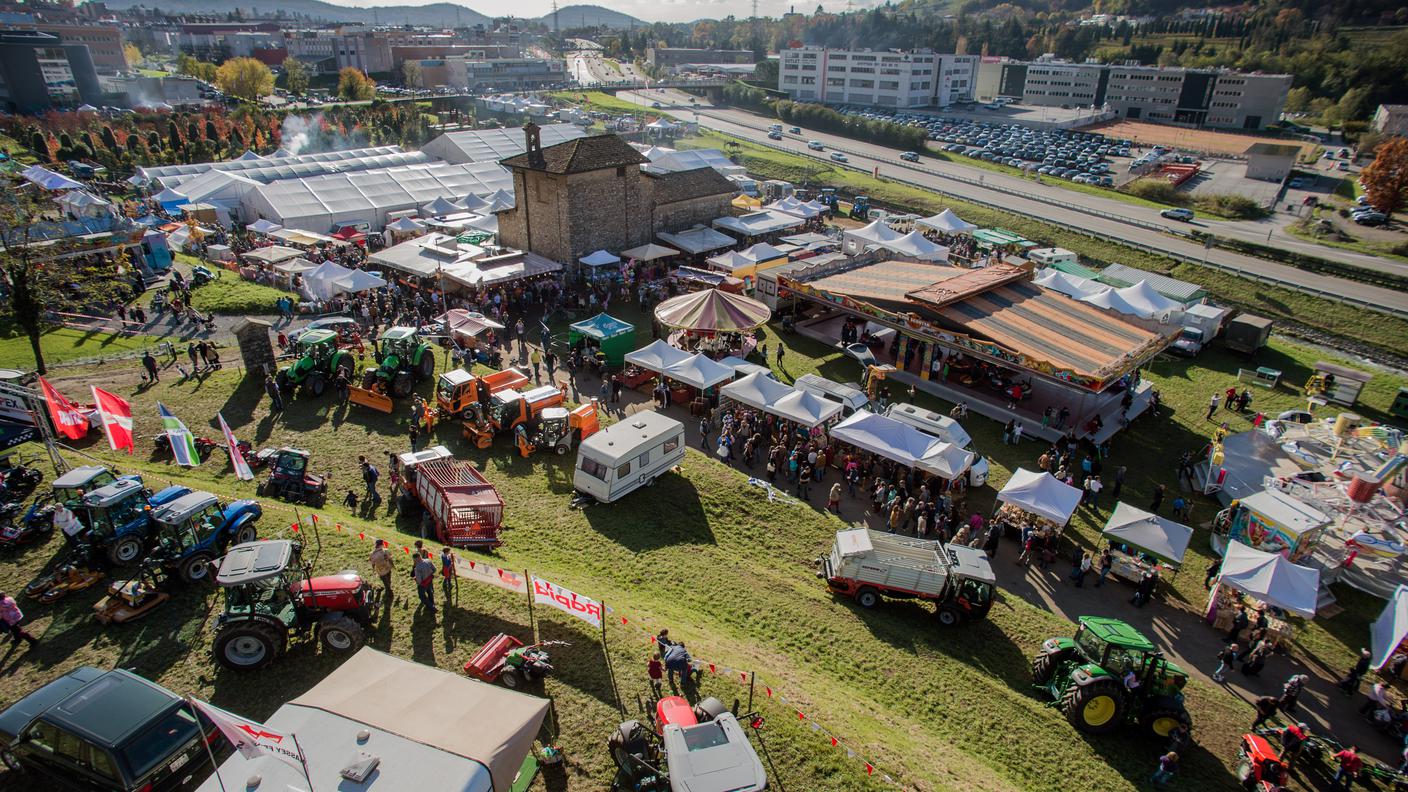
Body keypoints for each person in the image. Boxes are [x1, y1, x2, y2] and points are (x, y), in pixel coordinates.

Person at [413, 549, 437, 615]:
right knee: (430, 592)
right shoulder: (428, 560)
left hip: (423, 583)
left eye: (414, 559)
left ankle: (431, 607)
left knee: (422, 596)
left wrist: (417, 581)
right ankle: (432, 604)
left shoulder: (417, 567)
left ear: (416, 559)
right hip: (430, 579)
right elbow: (434, 569)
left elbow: (419, 580)